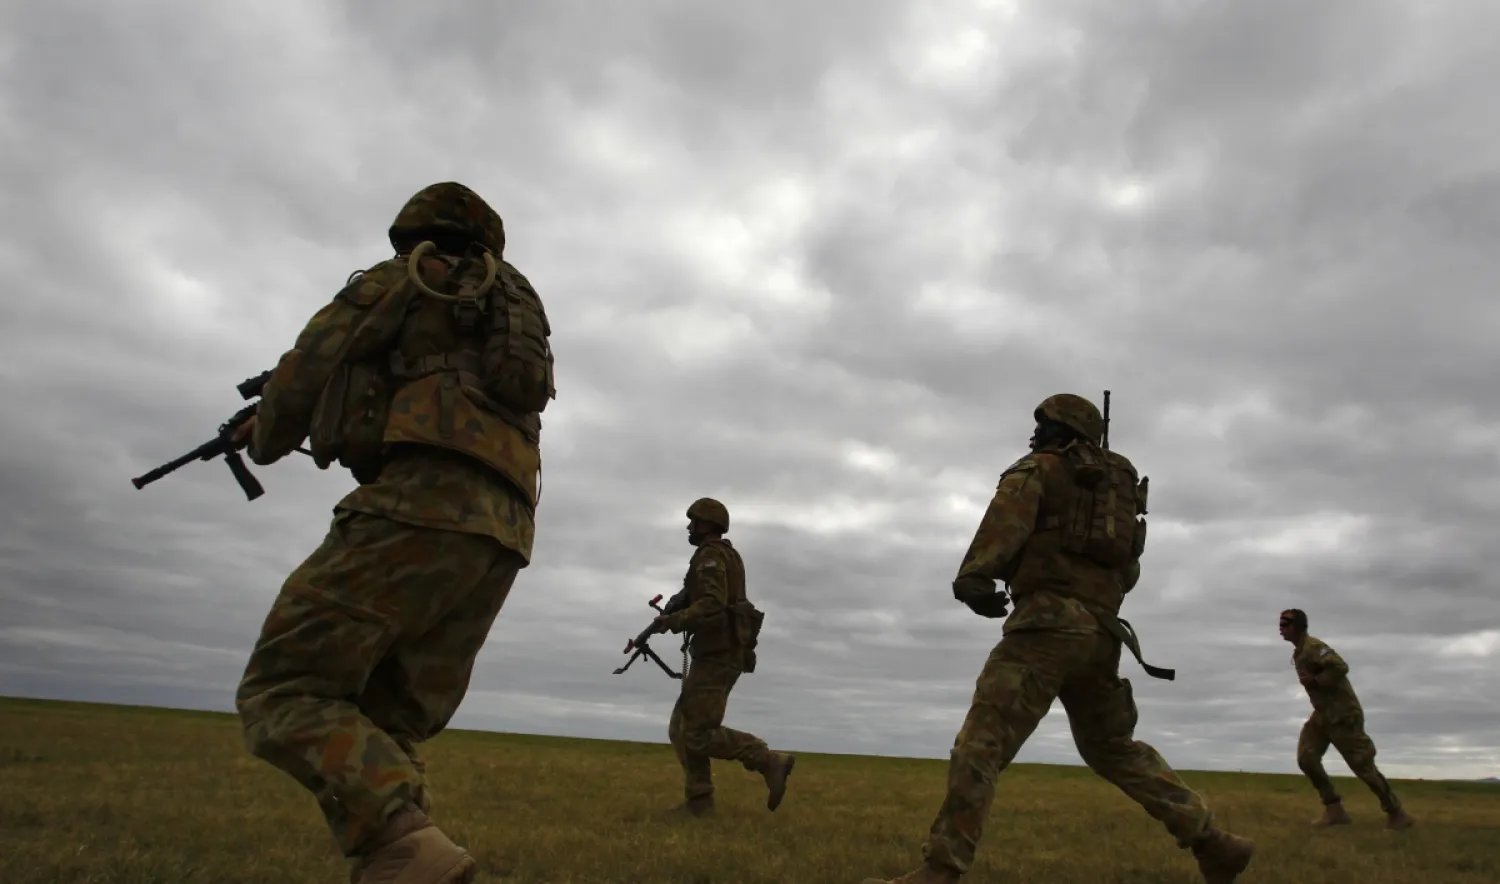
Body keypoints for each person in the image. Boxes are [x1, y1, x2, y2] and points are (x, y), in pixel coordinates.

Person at [231, 181, 555, 884]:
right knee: (390, 720)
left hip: (418, 502)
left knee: (284, 689)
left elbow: (303, 378)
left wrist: (266, 436)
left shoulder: (403, 281)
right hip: (501, 532)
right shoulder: (505, 310)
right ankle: (411, 863)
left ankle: (408, 854)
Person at [863, 394, 1254, 884]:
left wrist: (975, 578)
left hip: (1045, 629)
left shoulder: (1041, 469)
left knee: (980, 746)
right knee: (1115, 749)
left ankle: (940, 870)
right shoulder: (1119, 496)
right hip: (1101, 636)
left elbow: (1004, 523)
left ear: (1062, 430)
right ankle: (1215, 843)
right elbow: (1127, 571)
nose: (1035, 433)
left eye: (1043, 424)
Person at [651, 497, 796, 817]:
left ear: (707, 524)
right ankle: (699, 802)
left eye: (694, 522)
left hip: (719, 652)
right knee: (682, 727)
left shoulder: (710, 556)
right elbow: (702, 596)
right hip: (719, 651)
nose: (689, 527)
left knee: (698, 733)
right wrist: (678, 606)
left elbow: (712, 605)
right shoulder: (723, 555)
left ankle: (767, 760)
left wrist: (672, 621)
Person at [1279, 608, 1414, 830]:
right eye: (1281, 623)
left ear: (1299, 626)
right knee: (1307, 758)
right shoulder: (1300, 652)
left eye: (1286, 623)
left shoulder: (1314, 647)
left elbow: (1341, 667)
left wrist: (1317, 680)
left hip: (1343, 714)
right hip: (1323, 715)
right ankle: (1334, 810)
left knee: (1362, 766)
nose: (1281, 627)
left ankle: (1396, 812)